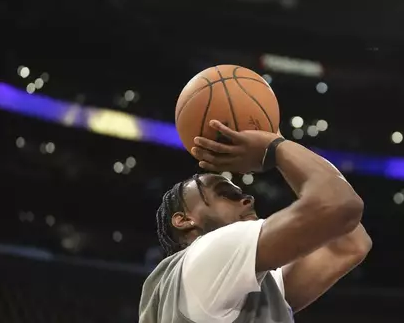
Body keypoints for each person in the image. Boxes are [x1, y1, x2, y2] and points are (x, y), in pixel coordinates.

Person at [139, 120, 372, 323]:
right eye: (225, 193)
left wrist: (277, 146)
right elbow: (341, 206)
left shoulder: (226, 280)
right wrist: (276, 147)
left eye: (241, 193)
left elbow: (349, 244)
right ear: (184, 220)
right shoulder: (207, 253)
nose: (248, 199)